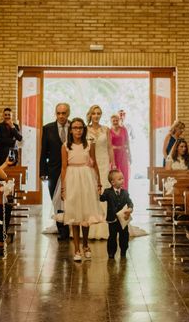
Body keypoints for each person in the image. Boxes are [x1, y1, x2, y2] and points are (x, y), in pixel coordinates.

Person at [58, 118, 105, 262]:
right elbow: (64, 166)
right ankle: (77, 249)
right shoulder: (66, 146)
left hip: (86, 178)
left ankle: (85, 245)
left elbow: (94, 163)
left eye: (80, 128)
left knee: (85, 215)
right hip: (72, 178)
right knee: (74, 215)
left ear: (83, 129)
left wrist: (98, 182)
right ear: (70, 130)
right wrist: (63, 186)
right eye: (75, 128)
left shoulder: (89, 144)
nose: (78, 130)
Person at [40, 102, 71, 240]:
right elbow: (43, 152)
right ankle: (62, 230)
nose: (61, 116)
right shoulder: (47, 128)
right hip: (53, 170)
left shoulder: (74, 127)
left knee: (70, 198)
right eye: (58, 113)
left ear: (68, 113)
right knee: (56, 200)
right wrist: (42, 171)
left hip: (72, 169)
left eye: (64, 113)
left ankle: (71, 226)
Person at [86, 105, 115, 240]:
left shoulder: (106, 130)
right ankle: (92, 219)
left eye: (98, 113)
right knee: (91, 189)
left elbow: (109, 147)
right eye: (94, 113)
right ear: (90, 115)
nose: (96, 116)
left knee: (105, 189)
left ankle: (105, 220)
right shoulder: (85, 130)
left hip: (104, 163)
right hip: (91, 163)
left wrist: (113, 164)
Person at [100, 169, 134, 259]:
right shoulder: (108, 192)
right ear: (113, 182)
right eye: (119, 179)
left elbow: (130, 202)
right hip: (112, 219)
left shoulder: (125, 193)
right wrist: (98, 192)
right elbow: (102, 199)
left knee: (124, 235)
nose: (122, 180)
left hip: (123, 219)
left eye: (122, 178)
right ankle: (111, 252)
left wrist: (130, 209)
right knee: (112, 236)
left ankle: (123, 250)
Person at [110, 113, 132, 189]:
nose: (115, 122)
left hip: (123, 154)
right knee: (114, 174)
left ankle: (125, 193)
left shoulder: (123, 129)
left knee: (124, 173)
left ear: (119, 120)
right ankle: (115, 193)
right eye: (113, 121)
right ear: (111, 121)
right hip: (114, 154)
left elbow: (127, 143)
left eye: (116, 120)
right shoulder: (109, 131)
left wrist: (130, 155)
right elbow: (108, 145)